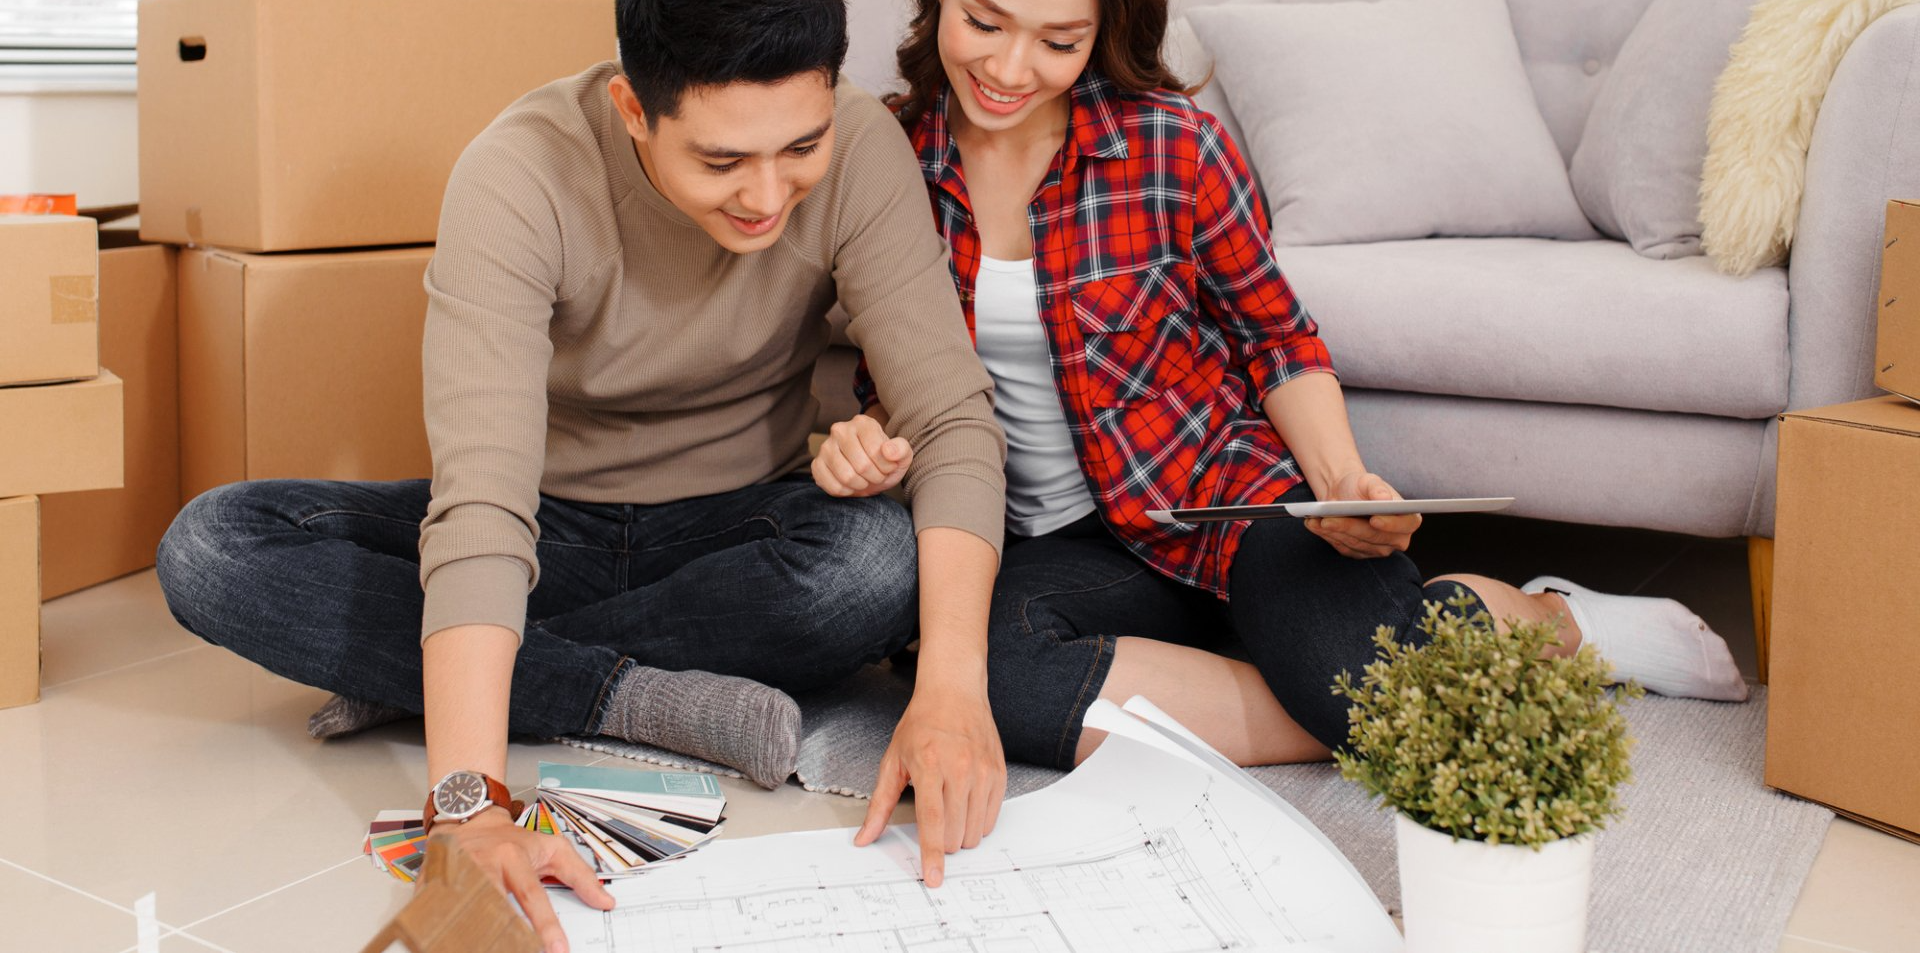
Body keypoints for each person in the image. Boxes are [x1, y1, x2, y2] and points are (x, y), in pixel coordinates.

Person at [157, 1, 1012, 949]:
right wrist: (470, 804)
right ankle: (640, 698)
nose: (768, 194)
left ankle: (437, 667)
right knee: (213, 547)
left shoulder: (860, 143)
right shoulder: (518, 173)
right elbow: (482, 501)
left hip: (737, 536)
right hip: (543, 526)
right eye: (722, 161)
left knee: (874, 566)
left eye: (799, 148)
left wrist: (950, 691)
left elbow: (951, 415)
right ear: (632, 108)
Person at [815, 0, 1750, 779]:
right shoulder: (887, 161)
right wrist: (864, 439)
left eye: (1059, 41)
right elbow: (901, 378)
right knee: (990, 678)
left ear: (1102, 30)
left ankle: (1553, 623)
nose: (1012, 67)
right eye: (984, 21)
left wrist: (1340, 479)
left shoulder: (1174, 147)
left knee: (1361, 675)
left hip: (1227, 505)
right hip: (1057, 548)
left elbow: (1277, 338)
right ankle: (1353, 681)